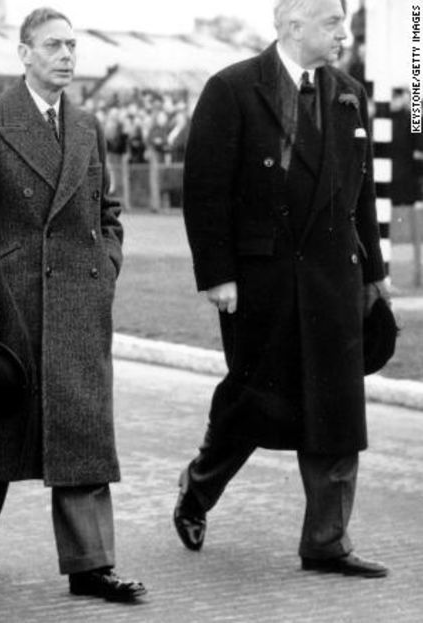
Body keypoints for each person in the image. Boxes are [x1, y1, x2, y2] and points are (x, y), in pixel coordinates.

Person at [174, 0, 390, 578]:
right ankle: (197, 490)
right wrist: (217, 275)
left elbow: (360, 192)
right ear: (294, 26)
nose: (344, 33)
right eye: (333, 22)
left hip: (333, 278)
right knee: (254, 402)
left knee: (337, 409)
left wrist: (376, 273)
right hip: (260, 280)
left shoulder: (348, 93)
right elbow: (205, 189)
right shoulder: (233, 88)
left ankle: (326, 541)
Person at [0, 7, 146, 603]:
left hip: (79, 303)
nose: (66, 55)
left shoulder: (87, 127)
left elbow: (107, 213)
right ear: (24, 53)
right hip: (10, 307)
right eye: (53, 45)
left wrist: (105, 268)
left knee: (82, 433)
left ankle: (91, 566)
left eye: (72, 46)